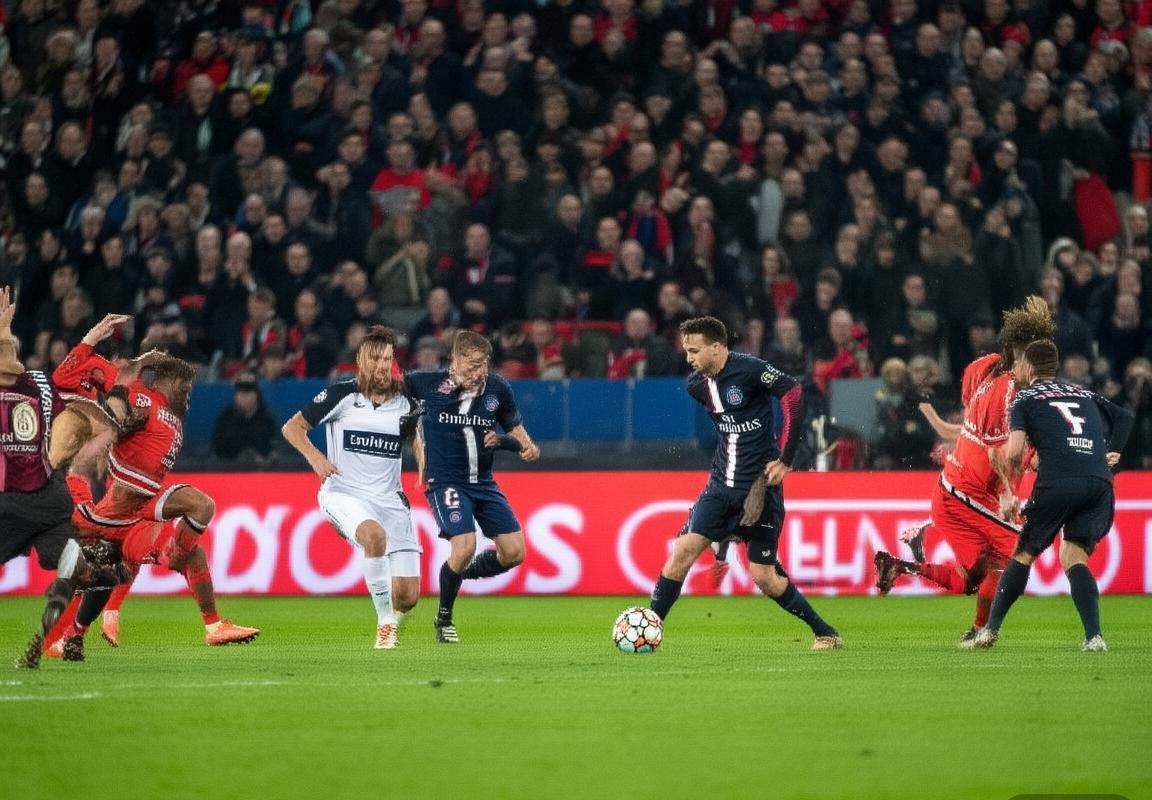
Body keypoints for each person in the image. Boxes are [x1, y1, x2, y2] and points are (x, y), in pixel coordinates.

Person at [648, 316, 843, 650]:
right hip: (720, 485)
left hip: (760, 486)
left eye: (694, 351)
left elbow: (793, 393)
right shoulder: (698, 386)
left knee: (764, 577)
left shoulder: (751, 370)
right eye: (686, 351)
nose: (688, 358)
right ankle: (649, 629)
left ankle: (825, 633)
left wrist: (786, 459)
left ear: (716, 347)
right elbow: (733, 434)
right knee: (682, 552)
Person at [873, 297, 1057, 646]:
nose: (1040, 371)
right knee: (1016, 555)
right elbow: (1001, 452)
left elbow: (972, 428)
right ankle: (982, 630)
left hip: (957, 488)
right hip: (971, 494)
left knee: (975, 578)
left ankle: (901, 566)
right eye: (1036, 360)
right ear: (1021, 357)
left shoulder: (983, 368)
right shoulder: (1010, 396)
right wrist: (1009, 492)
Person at [60, 350, 260, 657]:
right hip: (123, 505)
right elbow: (116, 408)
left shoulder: (172, 417)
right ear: (167, 381)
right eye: (185, 387)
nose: (188, 395)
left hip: (145, 505)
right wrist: (118, 420)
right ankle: (72, 633)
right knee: (106, 570)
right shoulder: (143, 398)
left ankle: (214, 626)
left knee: (194, 545)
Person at [975, 339, 1133, 650]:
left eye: (1019, 364)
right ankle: (1094, 637)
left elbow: (1014, 453)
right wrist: (1111, 453)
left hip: (1058, 481)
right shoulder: (1081, 392)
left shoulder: (1024, 399)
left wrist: (1007, 478)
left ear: (1029, 366)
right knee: (1074, 557)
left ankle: (989, 630)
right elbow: (1125, 417)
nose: (1016, 370)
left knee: (1023, 554)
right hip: (1099, 483)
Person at [0, 289, 126, 669]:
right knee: (78, 566)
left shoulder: (25, 385)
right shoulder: (43, 385)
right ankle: (83, 587)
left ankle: (66, 624)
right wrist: (90, 340)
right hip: (52, 496)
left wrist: (3, 331)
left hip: (14, 498)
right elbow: (74, 392)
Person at [281, 326, 423, 650]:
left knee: (408, 596)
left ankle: (392, 613)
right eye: (376, 359)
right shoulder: (341, 396)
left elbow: (415, 436)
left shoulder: (406, 403)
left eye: (387, 359)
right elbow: (292, 428)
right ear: (361, 360)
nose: (382, 366)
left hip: (389, 500)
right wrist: (316, 458)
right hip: (344, 493)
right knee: (374, 536)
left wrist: (425, 467)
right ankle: (385, 625)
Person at [405, 330, 540, 644]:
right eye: (471, 364)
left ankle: (456, 575)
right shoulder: (424, 383)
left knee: (514, 553)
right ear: (454, 359)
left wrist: (523, 445)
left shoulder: (498, 389)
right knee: (464, 546)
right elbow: (386, 392)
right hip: (446, 482)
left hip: (484, 483)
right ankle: (444, 618)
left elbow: (518, 434)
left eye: (482, 364)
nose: (477, 371)